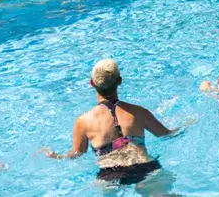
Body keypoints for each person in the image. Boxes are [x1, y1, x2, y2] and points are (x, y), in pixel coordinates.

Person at [44, 59, 180, 186]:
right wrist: (186, 124)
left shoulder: (83, 121)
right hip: (144, 166)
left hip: (109, 174)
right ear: (119, 81)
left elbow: (77, 154)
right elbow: (166, 134)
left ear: (91, 83)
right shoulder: (139, 112)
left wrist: (57, 156)